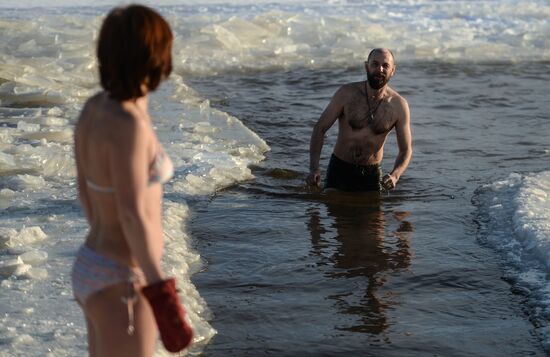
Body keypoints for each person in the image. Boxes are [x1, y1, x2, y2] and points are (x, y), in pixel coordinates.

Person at [71, 5, 192, 356]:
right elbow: (131, 211)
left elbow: (85, 190)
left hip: (93, 263)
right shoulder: (129, 124)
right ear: (153, 56)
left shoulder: (94, 108)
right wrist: (160, 292)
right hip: (123, 279)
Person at [306, 48, 412, 192]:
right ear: (366, 66)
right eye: (375, 64)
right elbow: (320, 128)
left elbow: (405, 150)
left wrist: (395, 175)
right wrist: (314, 168)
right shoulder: (346, 94)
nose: (380, 69)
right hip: (340, 168)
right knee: (333, 210)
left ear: (393, 70)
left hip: (371, 174)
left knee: (372, 214)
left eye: (385, 65)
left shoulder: (399, 106)